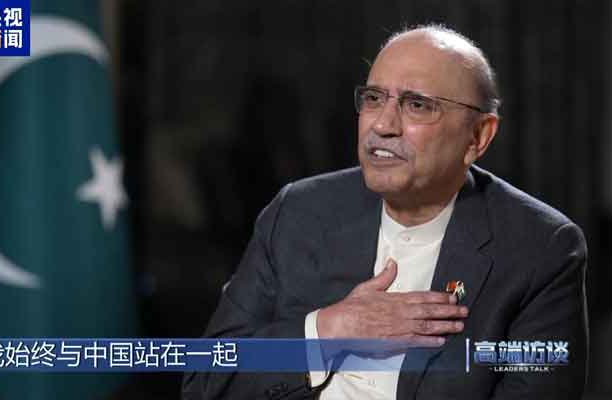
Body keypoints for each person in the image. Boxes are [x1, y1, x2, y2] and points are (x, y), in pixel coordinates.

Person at [182, 24, 588, 400]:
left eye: (417, 105)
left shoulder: (540, 248)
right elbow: (205, 380)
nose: (383, 125)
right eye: (374, 98)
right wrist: (326, 332)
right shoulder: (299, 211)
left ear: (478, 136)